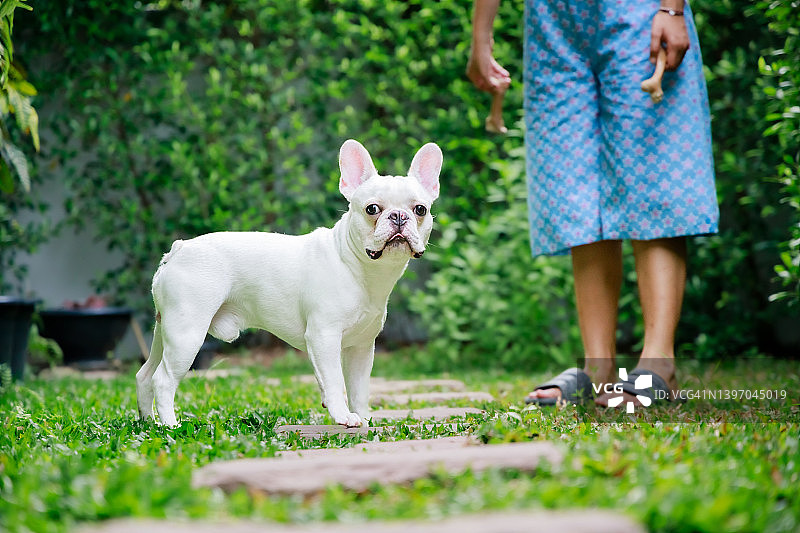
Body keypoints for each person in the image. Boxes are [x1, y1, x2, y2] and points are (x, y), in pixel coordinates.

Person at [467, 0, 719, 406]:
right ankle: (597, 368)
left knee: (650, 172)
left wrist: (672, 10)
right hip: (553, 23)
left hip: (638, 10)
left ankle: (659, 364)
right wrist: (482, 35)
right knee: (575, 187)